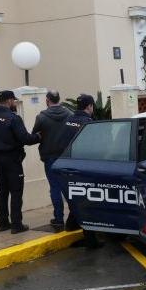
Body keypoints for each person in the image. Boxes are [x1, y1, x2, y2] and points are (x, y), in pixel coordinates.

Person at [0, 90, 40, 234]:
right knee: (16, 192)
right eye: (13, 100)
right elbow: (25, 138)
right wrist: (39, 136)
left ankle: (3, 223)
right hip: (12, 161)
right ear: (8, 101)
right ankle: (16, 224)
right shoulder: (13, 118)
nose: (14, 103)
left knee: (2, 192)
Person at [60, 94, 102, 248]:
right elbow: (95, 148)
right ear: (89, 106)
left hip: (68, 167)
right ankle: (91, 240)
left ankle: (71, 224)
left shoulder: (68, 121)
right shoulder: (88, 123)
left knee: (77, 197)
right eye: (92, 106)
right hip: (85, 168)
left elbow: (61, 142)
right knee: (87, 202)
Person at [32, 90, 72, 230]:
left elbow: (34, 135)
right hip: (66, 157)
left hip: (50, 157)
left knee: (55, 188)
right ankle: (75, 217)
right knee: (68, 187)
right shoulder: (69, 114)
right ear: (58, 99)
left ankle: (59, 219)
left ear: (47, 100)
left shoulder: (42, 117)